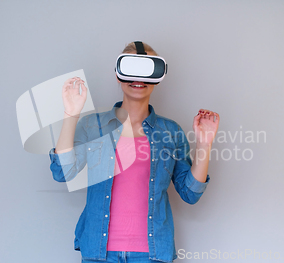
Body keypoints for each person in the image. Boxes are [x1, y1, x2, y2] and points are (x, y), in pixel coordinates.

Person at [49, 41, 220, 263]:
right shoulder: (94, 126)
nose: (138, 80)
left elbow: (190, 194)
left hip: (152, 254)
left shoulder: (171, 132)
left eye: (147, 71)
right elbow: (63, 173)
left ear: (158, 76)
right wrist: (71, 115)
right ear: (119, 74)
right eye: (131, 70)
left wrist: (204, 144)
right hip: (99, 253)